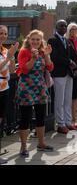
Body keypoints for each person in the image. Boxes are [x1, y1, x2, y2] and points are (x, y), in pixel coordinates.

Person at [16, 30, 54, 157]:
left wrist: (47, 55)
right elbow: (24, 69)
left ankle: (41, 143)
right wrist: (33, 58)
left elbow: (50, 67)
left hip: (40, 87)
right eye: (33, 39)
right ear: (28, 40)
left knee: (40, 116)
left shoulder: (43, 52)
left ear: (41, 41)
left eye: (38, 40)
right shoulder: (23, 52)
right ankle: (23, 146)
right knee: (25, 117)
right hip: (26, 88)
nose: (35, 42)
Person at [48, 20, 77, 134]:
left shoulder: (66, 40)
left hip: (68, 73)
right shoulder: (52, 40)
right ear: (56, 27)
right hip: (59, 74)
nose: (64, 28)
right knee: (59, 100)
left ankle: (68, 122)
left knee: (67, 99)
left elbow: (72, 55)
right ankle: (60, 124)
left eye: (65, 26)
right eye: (61, 26)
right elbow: (54, 57)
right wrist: (69, 61)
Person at [0, 25, 19, 165]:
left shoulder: (6, 51)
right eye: (0, 33)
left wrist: (12, 57)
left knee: (1, 120)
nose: (3, 35)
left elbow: (12, 70)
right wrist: (9, 57)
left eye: (5, 33)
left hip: (4, 88)